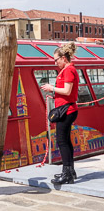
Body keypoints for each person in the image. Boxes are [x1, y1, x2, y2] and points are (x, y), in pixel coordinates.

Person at [41, 42, 79, 184]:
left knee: (62, 141)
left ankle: (67, 173)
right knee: (66, 141)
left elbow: (67, 91)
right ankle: (70, 171)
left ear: (64, 58)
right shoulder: (67, 70)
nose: (55, 62)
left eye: (56, 59)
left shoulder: (68, 70)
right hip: (67, 109)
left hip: (67, 111)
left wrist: (52, 88)